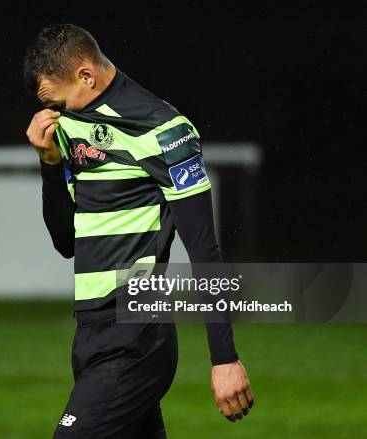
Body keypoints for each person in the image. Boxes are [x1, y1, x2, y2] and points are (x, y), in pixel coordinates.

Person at [24, 24, 254, 438]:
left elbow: (204, 249)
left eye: (59, 101)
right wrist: (50, 165)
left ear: (86, 75)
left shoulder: (166, 132)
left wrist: (225, 359)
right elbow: (66, 242)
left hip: (136, 338)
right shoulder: (69, 126)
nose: (56, 112)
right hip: (90, 337)